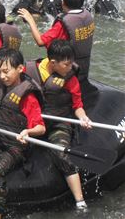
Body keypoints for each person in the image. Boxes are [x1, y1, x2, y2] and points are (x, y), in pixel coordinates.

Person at [24, 40, 92, 211]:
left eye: (71, 63)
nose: (70, 67)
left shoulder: (70, 79)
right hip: (32, 123)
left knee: (61, 154)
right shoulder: (30, 71)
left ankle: (80, 201)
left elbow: (77, 105)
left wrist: (83, 117)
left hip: (57, 123)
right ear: (53, 63)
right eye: (66, 64)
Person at [0, 49, 46, 219]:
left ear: (20, 69)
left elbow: (41, 127)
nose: (2, 76)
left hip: (15, 145)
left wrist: (27, 131)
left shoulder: (27, 96)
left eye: (6, 71)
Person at [18, 0, 94, 87]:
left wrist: (30, 20)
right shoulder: (87, 16)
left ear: (63, 3)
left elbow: (40, 41)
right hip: (84, 68)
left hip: (66, 71)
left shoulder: (63, 23)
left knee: (31, 68)